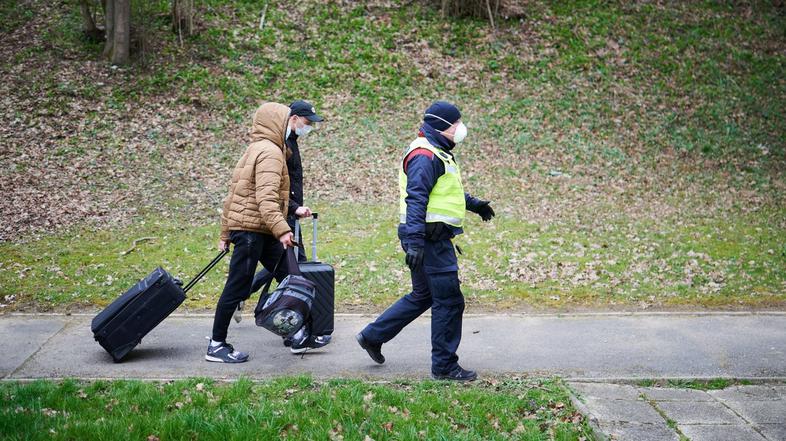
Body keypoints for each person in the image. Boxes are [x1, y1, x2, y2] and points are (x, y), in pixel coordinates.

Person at [355, 101, 495, 381]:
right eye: (456, 123)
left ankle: (372, 336)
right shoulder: (425, 155)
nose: (461, 128)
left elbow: (443, 193)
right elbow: (417, 199)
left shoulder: (436, 152)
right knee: (449, 301)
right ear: (442, 126)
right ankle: (444, 366)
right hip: (429, 240)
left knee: (423, 295)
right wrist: (416, 242)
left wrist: (474, 204)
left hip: (426, 237)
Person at [206, 101, 295, 363]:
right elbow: (266, 199)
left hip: (258, 229)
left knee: (289, 276)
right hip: (251, 231)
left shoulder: (254, 149)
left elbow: (232, 196)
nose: (289, 127)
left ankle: (297, 330)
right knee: (236, 288)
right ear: (276, 123)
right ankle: (216, 345)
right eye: (287, 121)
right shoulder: (270, 153)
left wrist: (225, 233)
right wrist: (283, 230)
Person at [244, 100, 331, 354]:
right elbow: (273, 186)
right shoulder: (280, 144)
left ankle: (297, 328)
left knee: (287, 265)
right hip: (281, 215)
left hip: (287, 213)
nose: (309, 126)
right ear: (293, 118)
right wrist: (293, 208)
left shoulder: (291, 140)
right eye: (307, 122)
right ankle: (297, 328)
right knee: (293, 267)